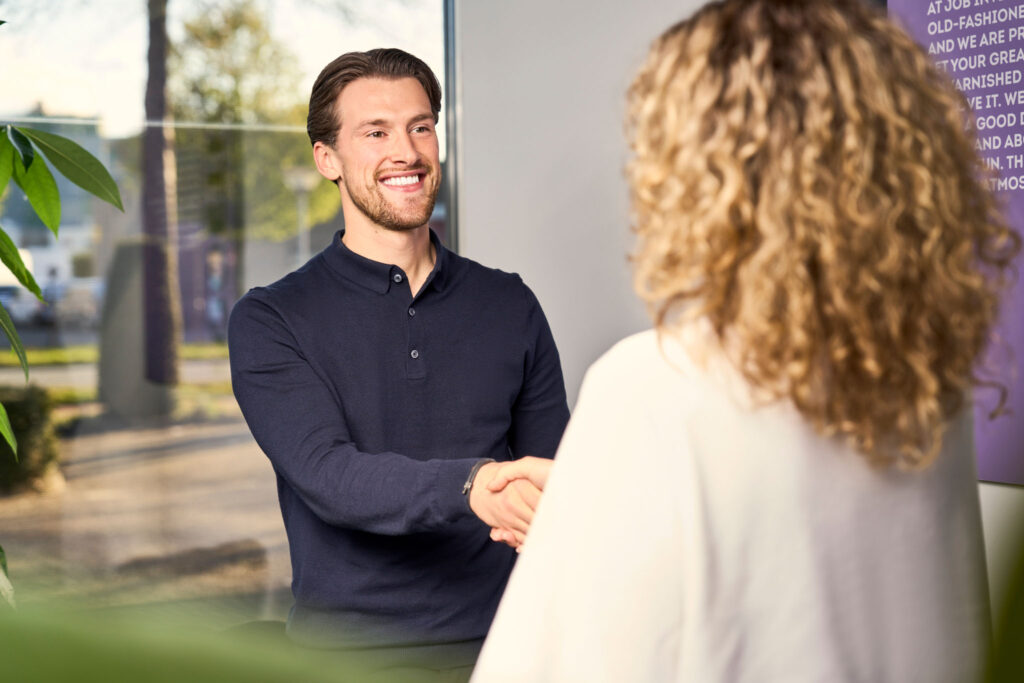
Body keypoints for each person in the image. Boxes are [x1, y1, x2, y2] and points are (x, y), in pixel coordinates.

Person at [472, 1, 1021, 681]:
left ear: (694, 169)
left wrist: (589, 512)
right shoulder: (927, 385)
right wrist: (593, 494)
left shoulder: (653, 384)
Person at [228, 48, 569, 679]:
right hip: (347, 660)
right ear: (326, 158)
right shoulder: (271, 320)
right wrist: (472, 487)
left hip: (510, 648)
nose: (406, 153)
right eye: (375, 132)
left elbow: (550, 473)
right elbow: (330, 477)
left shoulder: (509, 303)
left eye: (420, 127)